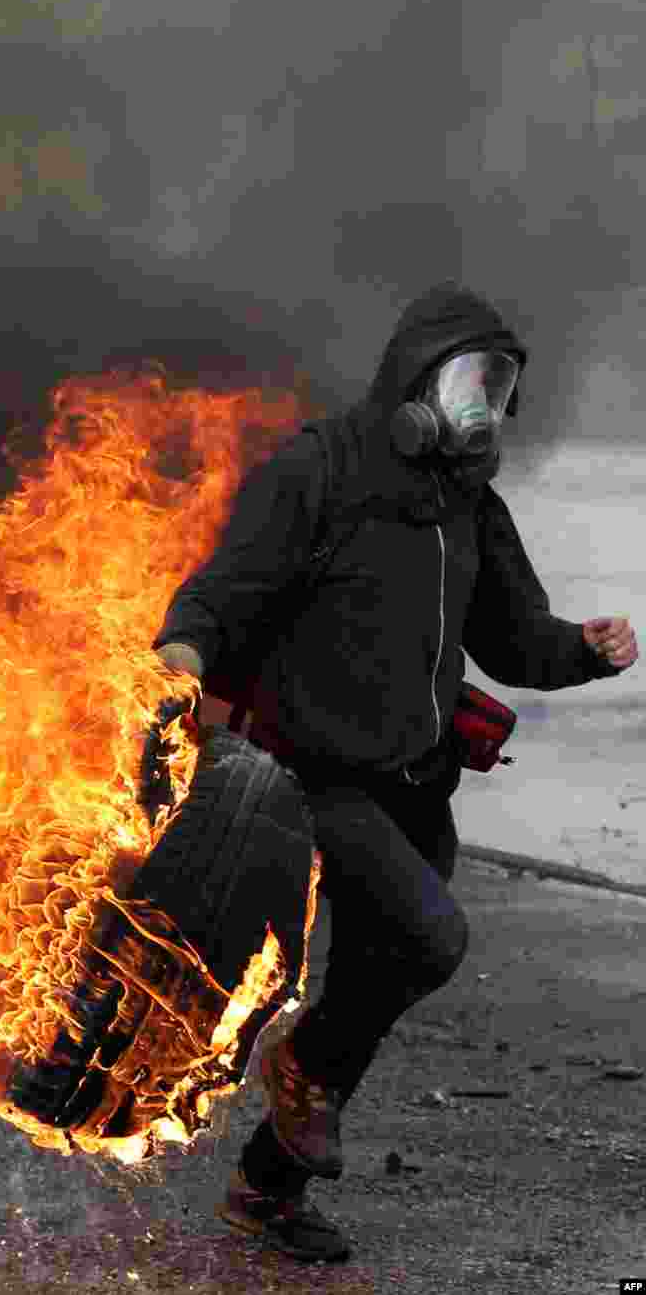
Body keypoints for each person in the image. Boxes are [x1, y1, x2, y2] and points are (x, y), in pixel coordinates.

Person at [152, 283, 639, 1264]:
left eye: (501, 387)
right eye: (472, 377)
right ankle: (294, 1072)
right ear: (414, 375)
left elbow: (511, 639)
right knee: (430, 936)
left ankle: (263, 1193)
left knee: (376, 980)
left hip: (416, 786)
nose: (485, 404)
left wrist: (583, 647)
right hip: (308, 777)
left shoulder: (469, 504)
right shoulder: (316, 471)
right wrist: (182, 658)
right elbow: (223, 592)